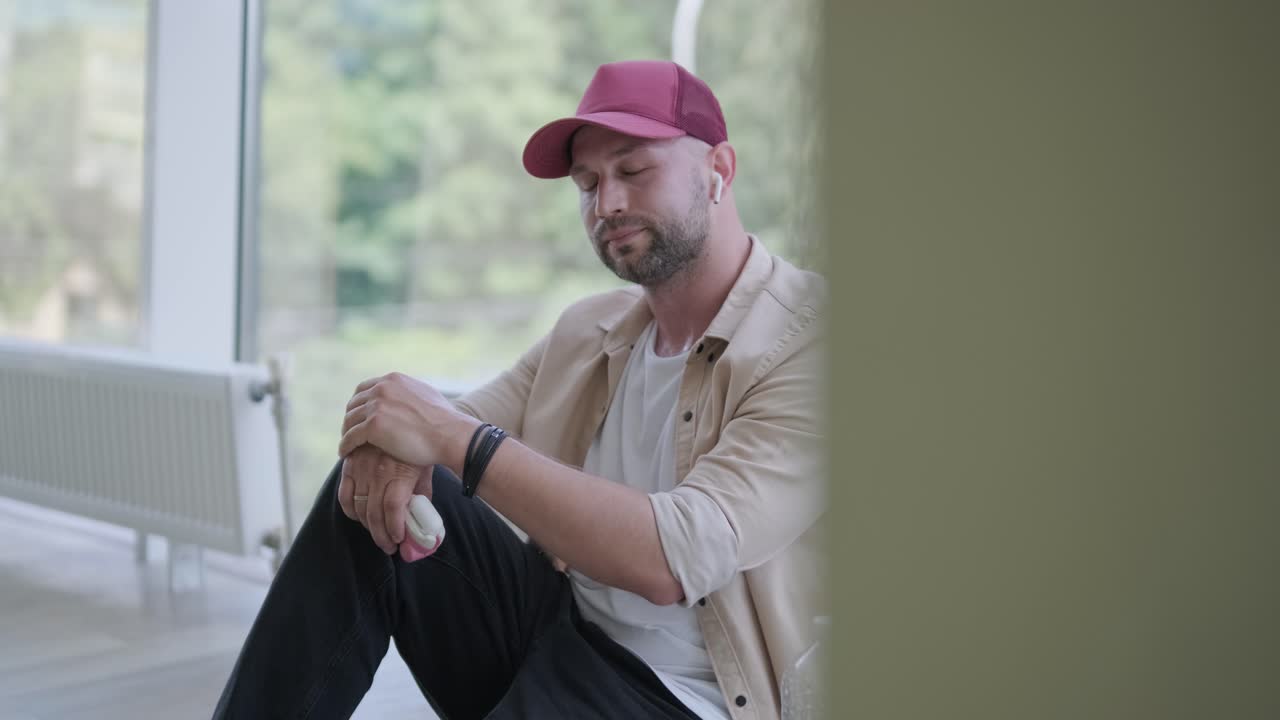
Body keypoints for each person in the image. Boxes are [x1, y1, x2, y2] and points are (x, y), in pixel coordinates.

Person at [214, 59, 826, 720]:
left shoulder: (809, 342)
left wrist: (446, 437)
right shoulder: (593, 329)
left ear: (720, 170)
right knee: (365, 501)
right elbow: (456, 420)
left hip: (679, 697)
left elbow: (671, 558)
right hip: (555, 631)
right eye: (587, 183)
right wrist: (386, 441)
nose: (606, 204)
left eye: (633, 170)